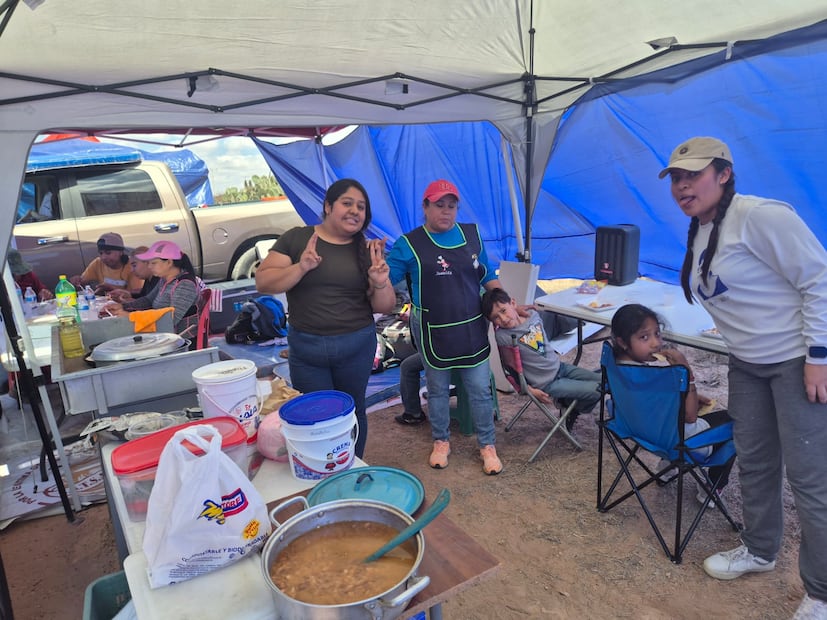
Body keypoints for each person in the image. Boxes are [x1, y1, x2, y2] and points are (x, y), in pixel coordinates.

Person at [661, 136, 827, 616]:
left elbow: (818, 278)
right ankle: (759, 549)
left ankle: (820, 591)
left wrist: (819, 355)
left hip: (796, 361)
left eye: (693, 174)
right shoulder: (700, 227)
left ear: (724, 174)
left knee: (810, 478)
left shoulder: (761, 215)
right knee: (754, 461)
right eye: (675, 177)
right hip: (747, 363)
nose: (682, 185)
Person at [255, 179, 395, 459]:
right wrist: (302, 266)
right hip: (308, 350)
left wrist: (380, 282)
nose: (355, 211)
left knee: (353, 410)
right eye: (347, 203)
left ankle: (351, 466)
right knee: (315, 415)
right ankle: (322, 471)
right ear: (328, 206)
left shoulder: (368, 251)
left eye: (361, 207)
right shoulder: (298, 238)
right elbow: (264, 281)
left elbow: (386, 305)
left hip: (356, 346)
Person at [387, 179, 504, 475]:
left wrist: (504, 302)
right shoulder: (409, 245)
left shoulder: (471, 235)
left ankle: (487, 446)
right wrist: (375, 275)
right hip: (433, 331)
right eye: (439, 205)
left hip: (471, 328)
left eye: (452, 206)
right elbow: (385, 282)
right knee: (437, 389)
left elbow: (486, 274)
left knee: (479, 390)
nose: (446, 211)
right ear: (425, 207)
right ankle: (441, 441)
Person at [610, 303, 735, 498]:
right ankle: (712, 487)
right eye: (644, 337)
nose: (655, 343)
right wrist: (687, 373)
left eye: (657, 334)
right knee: (736, 421)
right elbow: (690, 416)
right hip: (683, 443)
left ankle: (667, 469)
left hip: (638, 432)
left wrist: (684, 394)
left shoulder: (618, 368)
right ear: (623, 342)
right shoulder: (655, 376)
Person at [482, 287, 602, 430]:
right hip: (546, 384)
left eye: (503, 311)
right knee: (599, 390)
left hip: (560, 367)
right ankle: (570, 408)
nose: (503, 319)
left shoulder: (533, 315)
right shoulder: (504, 337)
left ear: (513, 303)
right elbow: (510, 370)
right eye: (495, 317)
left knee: (605, 381)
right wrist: (528, 389)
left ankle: (568, 403)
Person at [103, 240, 199, 335]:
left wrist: (131, 316)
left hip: (181, 338)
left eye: (153, 263)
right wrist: (123, 307)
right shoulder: (164, 280)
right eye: (149, 263)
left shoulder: (185, 284)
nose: (149, 266)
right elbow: (148, 300)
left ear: (169, 262)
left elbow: (171, 319)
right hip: (162, 333)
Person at [71, 232, 143, 295]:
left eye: (108, 253)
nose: (103, 257)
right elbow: (82, 282)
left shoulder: (132, 266)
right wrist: (77, 281)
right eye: (101, 253)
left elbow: (138, 293)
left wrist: (112, 289)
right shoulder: (98, 263)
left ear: (121, 252)